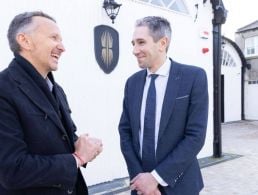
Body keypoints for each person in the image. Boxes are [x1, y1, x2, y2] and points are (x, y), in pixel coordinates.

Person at [0, 11, 103, 195]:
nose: (62, 47)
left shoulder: (57, 89)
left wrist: (83, 145)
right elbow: (11, 170)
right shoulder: (4, 89)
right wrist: (77, 158)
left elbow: (62, 140)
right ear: (25, 41)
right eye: (54, 38)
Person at [118, 16, 208, 195]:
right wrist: (141, 179)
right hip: (141, 187)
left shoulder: (193, 78)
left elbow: (195, 137)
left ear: (162, 43)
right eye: (133, 43)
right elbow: (125, 131)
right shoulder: (132, 83)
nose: (135, 50)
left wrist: (156, 178)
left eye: (141, 42)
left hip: (180, 187)